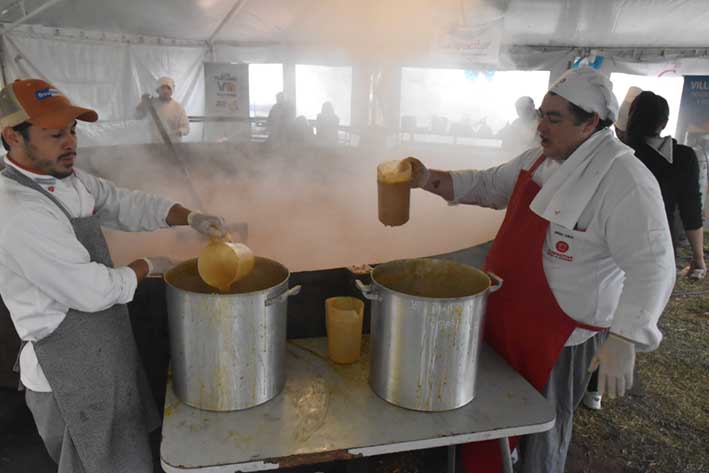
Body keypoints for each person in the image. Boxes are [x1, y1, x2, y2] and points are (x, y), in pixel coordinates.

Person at [401, 67, 675, 473]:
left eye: (554, 118)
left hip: (560, 339)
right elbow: (486, 185)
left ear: (591, 123)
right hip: (506, 318)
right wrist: (427, 179)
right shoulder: (539, 160)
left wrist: (626, 336)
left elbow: (654, 264)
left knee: (540, 433)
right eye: (541, 114)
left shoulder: (626, 180)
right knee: (488, 417)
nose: (540, 127)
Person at [0, 79, 227, 473]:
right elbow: (90, 290)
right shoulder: (17, 209)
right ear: (11, 137)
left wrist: (188, 216)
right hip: (67, 377)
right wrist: (149, 265)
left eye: (73, 130)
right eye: (55, 134)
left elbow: (122, 202)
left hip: (104, 350)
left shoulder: (67, 180)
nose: (70, 142)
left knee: (128, 457)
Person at [624, 91, 706, 279]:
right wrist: (699, 258)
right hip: (658, 246)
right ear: (665, 122)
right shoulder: (682, 157)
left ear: (631, 118)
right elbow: (691, 210)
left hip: (612, 245)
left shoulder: (620, 152)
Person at [135, 76, 190, 142]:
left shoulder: (178, 107)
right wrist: (142, 104)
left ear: (172, 90)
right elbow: (137, 116)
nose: (165, 91)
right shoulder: (151, 103)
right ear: (158, 90)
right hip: (155, 144)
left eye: (168, 88)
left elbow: (186, 128)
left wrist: (178, 132)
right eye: (163, 88)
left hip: (174, 145)